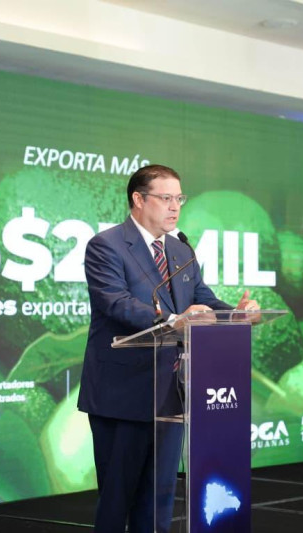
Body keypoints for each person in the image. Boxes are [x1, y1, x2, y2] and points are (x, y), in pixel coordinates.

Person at [77, 164, 259, 532]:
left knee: (158, 498)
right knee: (117, 499)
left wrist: (237, 314)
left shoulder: (180, 248)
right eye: (166, 198)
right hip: (122, 393)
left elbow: (202, 298)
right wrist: (175, 320)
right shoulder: (106, 245)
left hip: (170, 394)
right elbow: (116, 303)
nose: (175, 206)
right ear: (138, 199)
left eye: (179, 198)